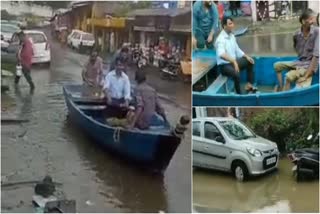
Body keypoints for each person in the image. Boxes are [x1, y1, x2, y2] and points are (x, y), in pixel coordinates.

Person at [273, 10, 319, 91]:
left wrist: (306, 75)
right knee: (277, 65)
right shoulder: (296, 34)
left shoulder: (317, 32)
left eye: (313, 19)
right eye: (311, 19)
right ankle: (280, 88)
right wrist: (297, 65)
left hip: (309, 65)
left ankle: (284, 97)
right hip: (300, 62)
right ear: (303, 21)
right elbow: (297, 49)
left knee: (288, 76)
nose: (313, 21)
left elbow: (316, 56)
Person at [215, 17, 256, 94]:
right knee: (236, 73)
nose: (232, 25)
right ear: (224, 26)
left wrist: (246, 56)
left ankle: (249, 85)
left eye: (232, 23)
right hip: (224, 66)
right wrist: (233, 61)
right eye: (230, 24)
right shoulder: (220, 39)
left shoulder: (232, 36)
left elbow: (237, 50)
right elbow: (221, 54)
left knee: (250, 61)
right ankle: (239, 94)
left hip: (233, 63)